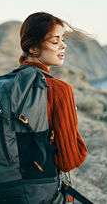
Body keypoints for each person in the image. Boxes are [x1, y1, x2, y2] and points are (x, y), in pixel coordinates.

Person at [18, 12, 90, 203]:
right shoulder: (59, 90)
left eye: (63, 39)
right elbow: (69, 161)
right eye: (55, 41)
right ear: (33, 48)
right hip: (38, 194)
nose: (63, 45)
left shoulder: (3, 87)